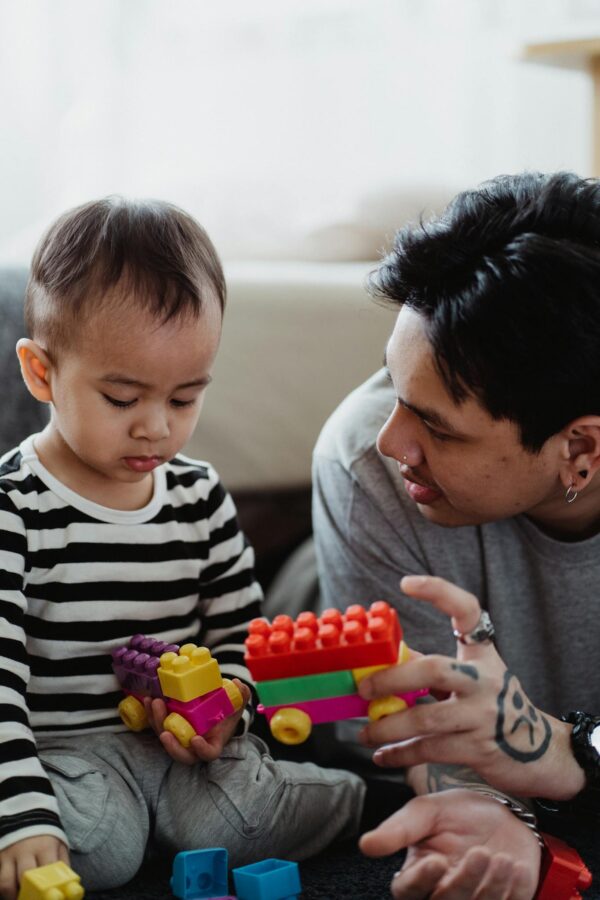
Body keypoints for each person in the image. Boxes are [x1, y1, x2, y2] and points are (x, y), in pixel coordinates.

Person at [0, 197, 365, 900]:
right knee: (99, 851)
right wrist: (22, 814)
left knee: (236, 821)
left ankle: (360, 798)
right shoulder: (16, 507)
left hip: (183, 755)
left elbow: (242, 642)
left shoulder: (199, 499)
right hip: (62, 756)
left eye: (185, 398)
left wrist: (229, 706)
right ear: (42, 373)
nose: (156, 430)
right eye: (122, 399)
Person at [312, 171, 600, 899]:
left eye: (437, 427)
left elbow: (559, 759)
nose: (390, 439)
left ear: (582, 452)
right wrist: (487, 808)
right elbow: (428, 733)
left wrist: (571, 754)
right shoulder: (365, 467)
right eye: (394, 384)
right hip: (325, 603)